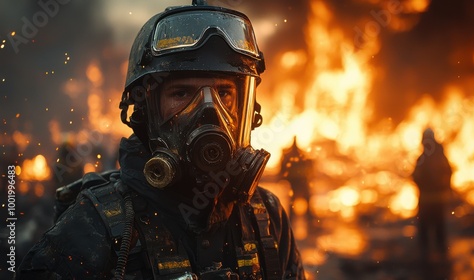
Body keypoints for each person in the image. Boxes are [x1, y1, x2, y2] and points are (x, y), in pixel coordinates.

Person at [17, 1, 305, 279]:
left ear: (247, 110)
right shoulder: (92, 226)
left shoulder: (266, 217)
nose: (210, 112)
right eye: (181, 94)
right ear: (144, 111)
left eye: (224, 94)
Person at [411, 127, 452, 261]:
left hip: (426, 201)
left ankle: (426, 259)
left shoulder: (422, 158)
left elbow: (415, 176)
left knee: (425, 230)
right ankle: (442, 258)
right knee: (439, 228)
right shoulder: (441, 157)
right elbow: (449, 173)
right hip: (438, 200)